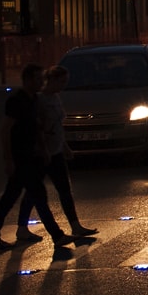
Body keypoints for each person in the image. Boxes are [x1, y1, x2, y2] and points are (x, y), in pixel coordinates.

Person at [0, 63, 87, 252]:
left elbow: (37, 127)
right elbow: (5, 130)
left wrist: (44, 149)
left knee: (12, 197)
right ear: (28, 80)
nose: (41, 82)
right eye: (38, 79)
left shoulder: (32, 100)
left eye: (42, 78)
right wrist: (8, 159)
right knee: (37, 196)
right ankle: (56, 235)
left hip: (33, 155)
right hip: (21, 157)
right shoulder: (17, 100)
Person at [15, 65, 96, 242]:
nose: (64, 85)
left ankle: (75, 225)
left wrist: (65, 147)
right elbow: (39, 128)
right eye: (61, 81)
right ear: (51, 80)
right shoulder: (41, 100)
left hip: (56, 150)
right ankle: (22, 227)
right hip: (43, 153)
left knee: (64, 189)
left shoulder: (56, 98)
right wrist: (44, 149)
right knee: (34, 192)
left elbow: (58, 126)